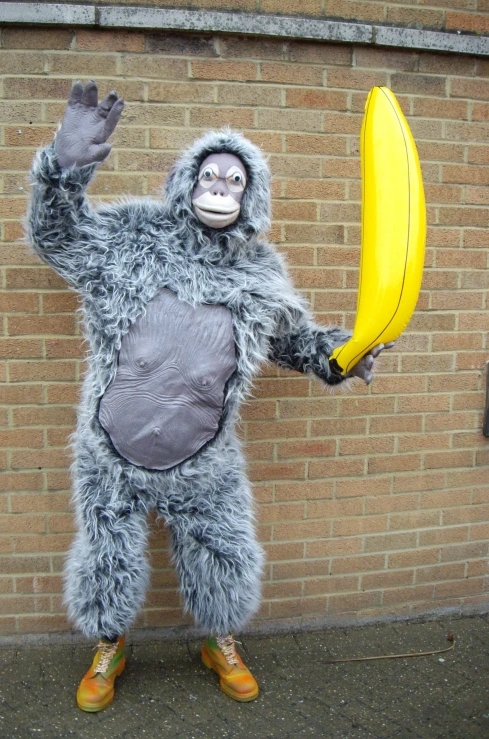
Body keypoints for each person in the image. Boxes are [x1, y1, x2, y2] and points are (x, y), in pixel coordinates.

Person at [27, 81, 391, 711]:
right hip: (112, 449)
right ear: (186, 182)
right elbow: (57, 238)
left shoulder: (259, 273)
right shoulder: (130, 238)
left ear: (252, 196)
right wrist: (64, 168)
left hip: (205, 457)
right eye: (209, 176)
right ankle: (109, 644)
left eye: (234, 181)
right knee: (106, 555)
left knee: (221, 552)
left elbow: (291, 343)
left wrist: (343, 356)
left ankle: (219, 639)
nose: (219, 189)